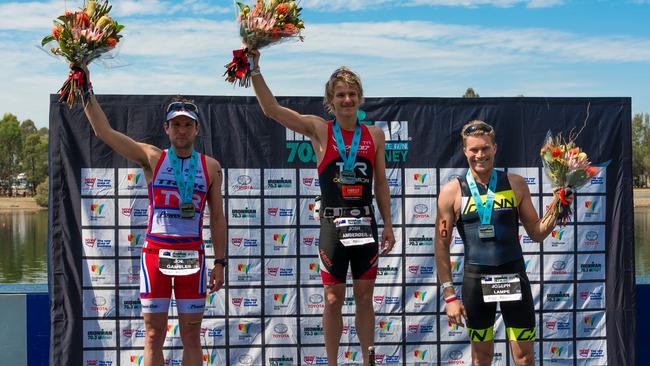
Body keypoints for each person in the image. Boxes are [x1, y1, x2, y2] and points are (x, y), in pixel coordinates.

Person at [250, 50, 396, 366]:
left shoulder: (374, 135)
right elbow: (272, 110)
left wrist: (388, 224)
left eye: (352, 94)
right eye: (341, 94)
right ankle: (332, 362)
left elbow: (381, 183)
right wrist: (254, 69)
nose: (347, 99)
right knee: (332, 300)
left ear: (360, 98)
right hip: (333, 225)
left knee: (365, 298)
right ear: (331, 99)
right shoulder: (320, 129)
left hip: (365, 225)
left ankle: (369, 360)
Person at [81, 65, 227, 366]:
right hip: (155, 254)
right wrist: (85, 87)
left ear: (197, 129)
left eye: (188, 125)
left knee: (191, 334)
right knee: (152, 334)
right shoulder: (152, 157)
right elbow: (103, 132)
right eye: (176, 125)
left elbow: (217, 219)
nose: (182, 130)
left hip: (193, 256)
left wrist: (221, 262)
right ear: (166, 129)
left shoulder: (211, 167)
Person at [435, 120, 572, 366]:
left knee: (524, 357)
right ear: (465, 151)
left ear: (495, 148)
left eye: (485, 148)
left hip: (513, 277)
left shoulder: (516, 184)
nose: (480, 155)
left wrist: (558, 206)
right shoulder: (451, 192)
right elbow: (441, 246)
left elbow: (537, 233)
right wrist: (449, 297)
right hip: (476, 282)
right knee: (482, 358)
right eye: (474, 149)